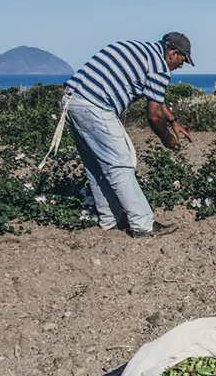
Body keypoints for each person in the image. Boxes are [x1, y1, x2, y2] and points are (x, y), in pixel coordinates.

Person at [41, 32, 195, 237]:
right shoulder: (159, 66)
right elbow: (153, 115)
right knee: (122, 161)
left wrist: (173, 121)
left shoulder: (141, 51)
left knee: (96, 164)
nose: (180, 66)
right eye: (182, 60)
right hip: (94, 105)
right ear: (173, 53)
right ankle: (143, 225)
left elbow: (156, 98)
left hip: (72, 100)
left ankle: (110, 219)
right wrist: (167, 139)